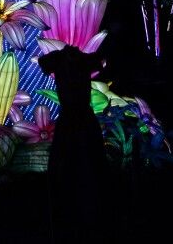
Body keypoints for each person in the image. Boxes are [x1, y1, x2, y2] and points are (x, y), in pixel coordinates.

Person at [38, 45, 109, 240]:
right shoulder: (70, 59)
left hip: (80, 118)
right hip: (73, 118)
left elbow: (100, 60)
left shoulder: (80, 59)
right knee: (70, 164)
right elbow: (44, 63)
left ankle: (87, 213)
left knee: (87, 163)